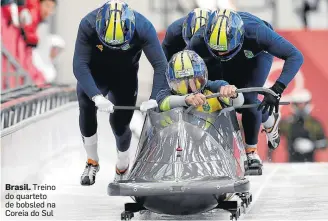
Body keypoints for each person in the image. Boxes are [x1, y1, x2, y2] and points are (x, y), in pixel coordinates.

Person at [186, 9, 304, 170]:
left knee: (248, 98)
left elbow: (295, 56)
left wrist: (277, 88)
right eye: (216, 49)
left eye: (224, 49)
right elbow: (189, 73)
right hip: (219, 58)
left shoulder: (258, 33)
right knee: (224, 97)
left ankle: (251, 152)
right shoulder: (198, 41)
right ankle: (266, 120)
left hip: (255, 55)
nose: (221, 53)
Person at [73, 0, 169, 186]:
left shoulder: (143, 27)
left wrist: (154, 97)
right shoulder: (88, 24)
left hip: (125, 77)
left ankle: (122, 165)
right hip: (96, 74)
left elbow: (160, 65)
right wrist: (96, 95)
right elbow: (79, 64)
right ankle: (92, 162)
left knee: (120, 124)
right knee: (86, 103)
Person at [157, 50, 244, 113]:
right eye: (179, 82)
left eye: (192, 80)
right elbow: (162, 103)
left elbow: (238, 103)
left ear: (201, 77)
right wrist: (186, 99)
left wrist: (234, 94)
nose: (188, 87)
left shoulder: (215, 87)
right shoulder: (166, 95)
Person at [280, 89, 327, 162]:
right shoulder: (286, 122)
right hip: (291, 164)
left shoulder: (315, 123)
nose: (301, 107)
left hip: (311, 163)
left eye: (304, 104)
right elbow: (273, 138)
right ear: (294, 105)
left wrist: (312, 145)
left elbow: (324, 143)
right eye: (298, 104)